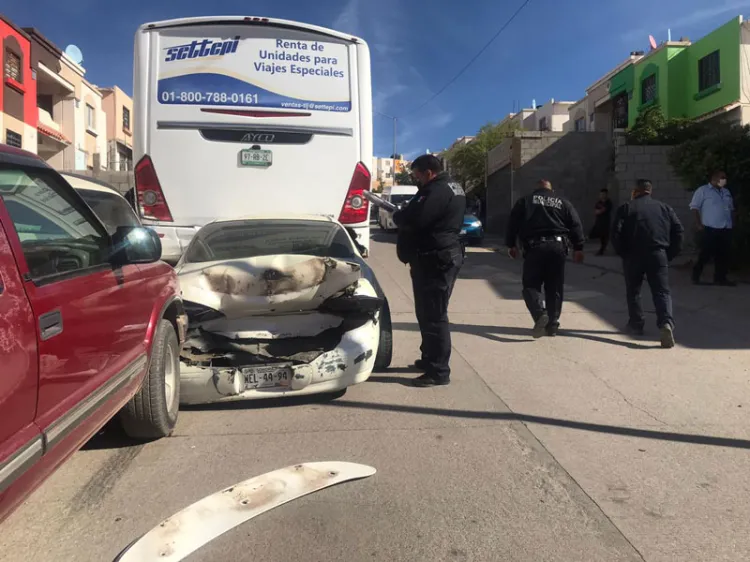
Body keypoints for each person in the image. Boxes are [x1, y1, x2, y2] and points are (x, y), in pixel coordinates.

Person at [392, 154, 466, 387]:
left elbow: (417, 219)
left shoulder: (435, 190)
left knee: (434, 315)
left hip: (436, 259)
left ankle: (438, 371)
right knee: (428, 313)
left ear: (428, 172)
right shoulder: (453, 187)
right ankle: (430, 358)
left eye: (417, 176)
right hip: (442, 256)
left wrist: (398, 215)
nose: (417, 181)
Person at [505, 179, 585, 338]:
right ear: (551, 190)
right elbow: (575, 224)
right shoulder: (563, 203)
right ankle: (553, 324)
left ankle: (539, 314)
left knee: (530, 285)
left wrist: (511, 245)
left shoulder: (525, 201)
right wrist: (579, 247)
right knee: (554, 286)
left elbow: (512, 223)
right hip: (558, 248)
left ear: (536, 190)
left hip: (535, 247)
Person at [611, 179, 684, 349]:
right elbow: (678, 231)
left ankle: (636, 323)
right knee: (661, 291)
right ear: (650, 191)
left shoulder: (626, 208)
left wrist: (623, 254)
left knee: (634, 291)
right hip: (658, 254)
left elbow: (615, 233)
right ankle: (665, 323)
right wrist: (670, 254)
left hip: (633, 255)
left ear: (635, 191)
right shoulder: (664, 208)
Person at [689, 171, 737, 286]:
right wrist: (698, 224)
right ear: (714, 179)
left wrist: (732, 223)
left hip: (725, 227)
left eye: (725, 178)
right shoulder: (703, 190)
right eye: (722, 178)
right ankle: (696, 276)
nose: (724, 180)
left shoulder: (726, 192)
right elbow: (694, 207)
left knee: (723, 255)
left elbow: (731, 209)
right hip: (711, 228)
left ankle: (720, 278)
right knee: (705, 254)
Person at [589, 188, 613, 255]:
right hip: (598, 222)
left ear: (606, 194)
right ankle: (603, 248)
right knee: (592, 234)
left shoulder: (608, 202)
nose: (602, 195)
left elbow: (604, 210)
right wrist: (600, 211)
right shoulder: (598, 202)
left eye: (604, 194)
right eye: (601, 194)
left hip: (605, 222)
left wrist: (600, 211)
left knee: (604, 236)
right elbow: (596, 211)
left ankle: (602, 250)